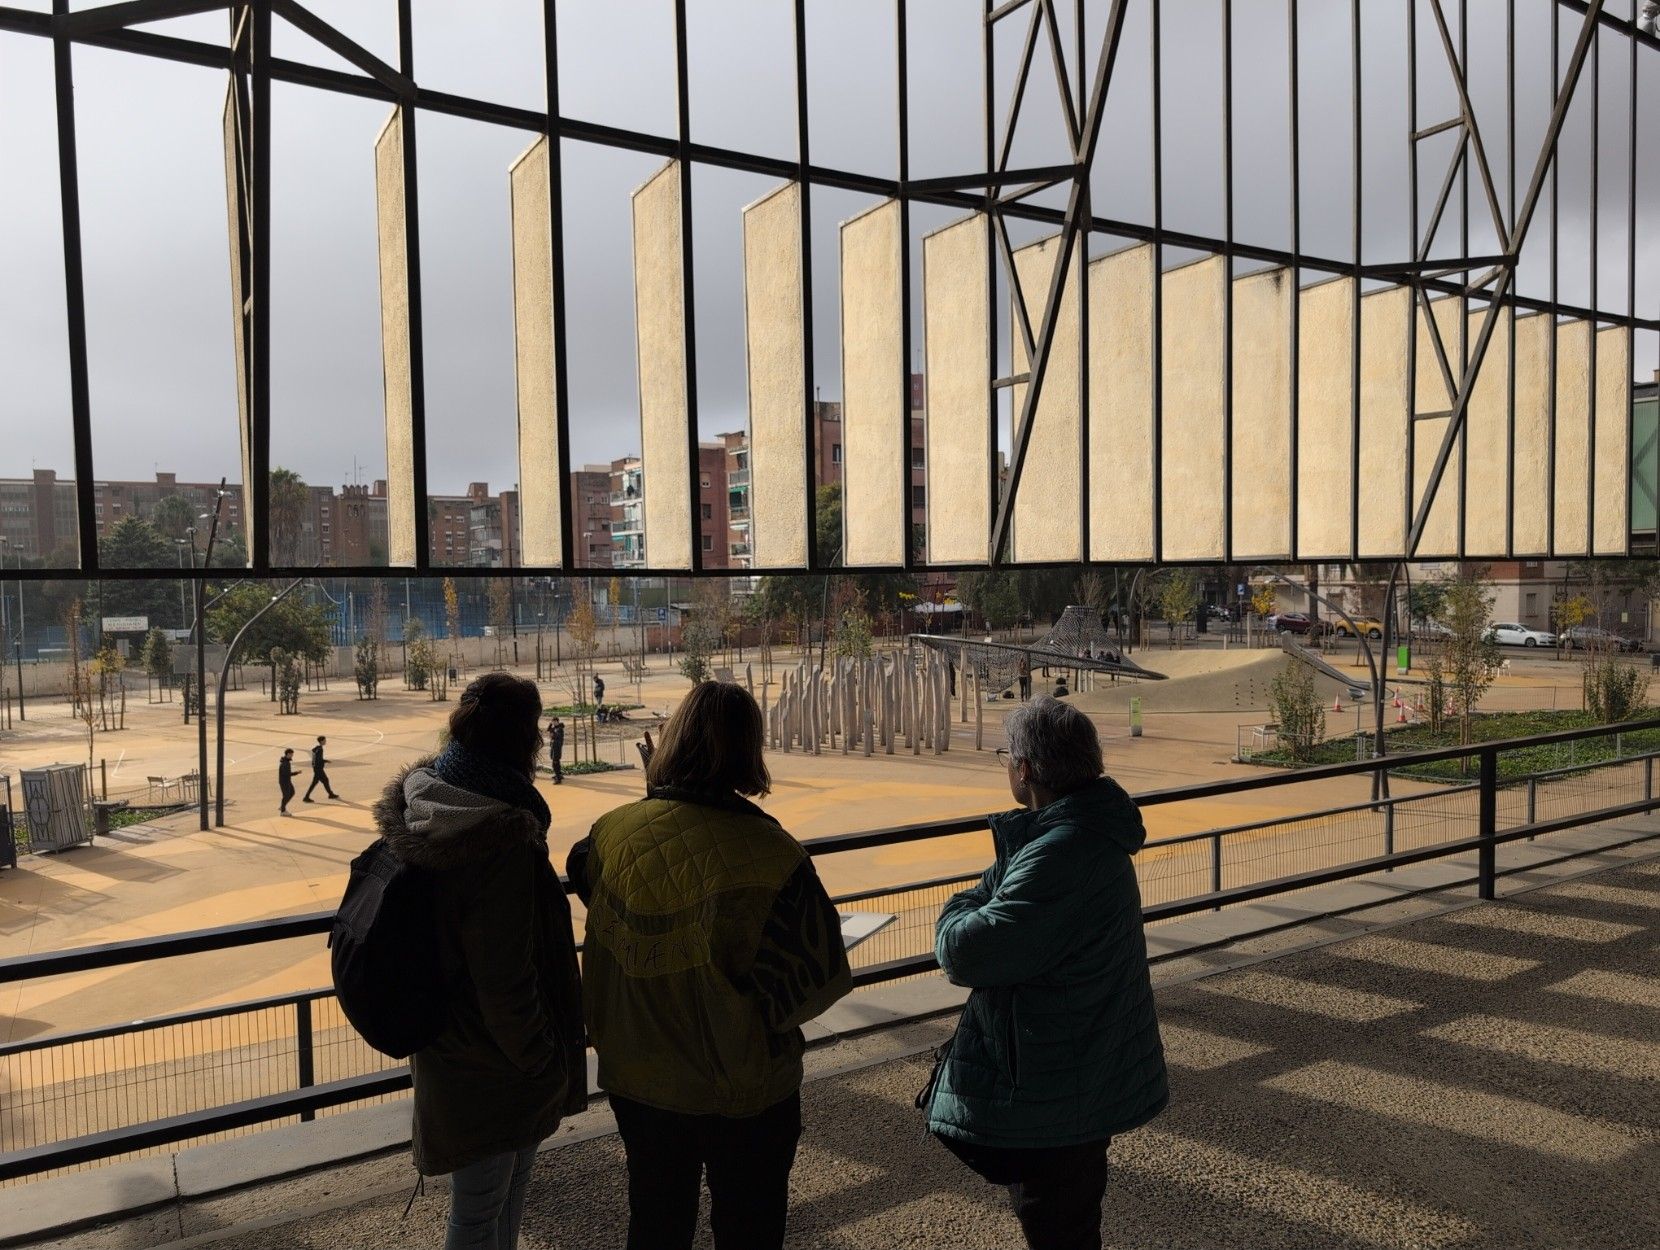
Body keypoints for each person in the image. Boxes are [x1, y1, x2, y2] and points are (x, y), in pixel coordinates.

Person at [567, 682, 852, 1250]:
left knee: (655, 1222)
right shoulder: (775, 856)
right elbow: (809, 990)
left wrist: (655, 800)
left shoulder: (608, 835)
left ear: (672, 740)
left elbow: (587, 878)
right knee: (750, 1230)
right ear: (750, 749)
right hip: (742, 1094)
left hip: (640, 1082)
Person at [922, 696, 1167, 1250]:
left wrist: (957, 907)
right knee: (1069, 1212)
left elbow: (963, 951)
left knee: (1058, 1221)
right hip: (1079, 1062)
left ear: (1026, 769)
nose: (1006, 766)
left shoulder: (1061, 853)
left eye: (1006, 757)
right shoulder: (1080, 834)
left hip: (1056, 1081)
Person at [373, 673, 585, 1250]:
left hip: (448, 1047)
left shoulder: (433, 802)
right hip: (497, 1066)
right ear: (525, 739)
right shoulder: (499, 840)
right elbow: (505, 981)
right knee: (481, 1212)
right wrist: (545, 1063)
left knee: (493, 1202)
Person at [303, 735, 338, 802]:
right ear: (321, 741)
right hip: (319, 769)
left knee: (320, 782)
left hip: (316, 768)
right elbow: (319, 760)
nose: (325, 741)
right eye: (324, 740)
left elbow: (315, 758)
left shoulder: (317, 748)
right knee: (323, 781)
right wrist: (326, 761)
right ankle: (330, 794)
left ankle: (330, 794)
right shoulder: (320, 749)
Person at [277, 748, 297, 816]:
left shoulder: (286, 761)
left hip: (287, 781)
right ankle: (283, 811)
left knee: (292, 792)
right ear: (288, 754)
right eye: (291, 754)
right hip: (284, 782)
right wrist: (295, 773)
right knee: (286, 795)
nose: (292, 756)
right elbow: (286, 773)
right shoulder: (285, 763)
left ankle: (282, 806)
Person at [547, 716, 565, 785]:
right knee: (556, 762)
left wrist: (552, 734)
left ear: (557, 721)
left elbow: (556, 736)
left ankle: (558, 779)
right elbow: (548, 729)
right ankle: (559, 774)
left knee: (555, 763)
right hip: (554, 747)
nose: (553, 723)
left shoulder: (560, 729)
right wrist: (550, 724)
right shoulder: (555, 728)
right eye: (553, 721)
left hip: (557, 748)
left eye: (555, 721)